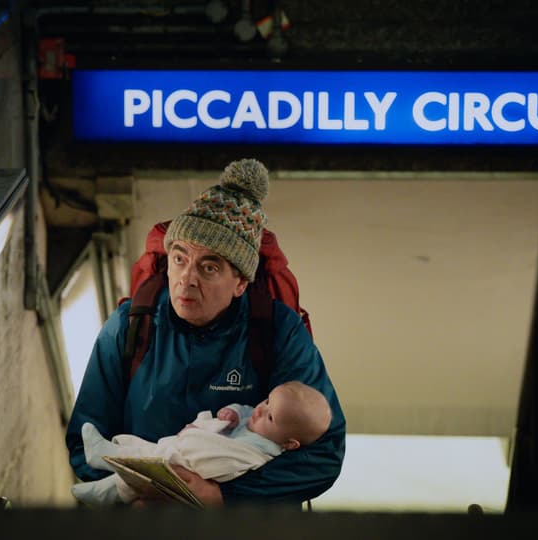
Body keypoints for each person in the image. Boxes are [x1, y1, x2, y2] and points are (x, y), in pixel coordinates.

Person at [65, 158, 346, 506]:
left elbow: (323, 454)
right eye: (179, 259)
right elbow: (84, 440)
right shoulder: (131, 325)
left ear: (241, 282)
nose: (187, 278)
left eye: (209, 266)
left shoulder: (276, 332)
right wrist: (137, 492)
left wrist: (222, 496)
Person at [71, 381, 333, 506]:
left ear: (289, 444)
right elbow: (244, 409)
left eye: (270, 416)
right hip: (182, 447)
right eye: (266, 401)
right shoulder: (261, 425)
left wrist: (196, 434)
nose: (260, 411)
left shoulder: (255, 455)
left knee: (136, 471)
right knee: (141, 455)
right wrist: (231, 412)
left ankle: (101, 488)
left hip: (187, 466)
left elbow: (214, 458)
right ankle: (102, 458)